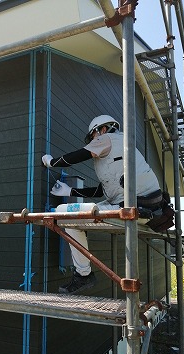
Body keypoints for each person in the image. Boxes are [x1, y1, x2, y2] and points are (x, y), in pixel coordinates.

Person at [42, 115, 162, 294]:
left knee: (64, 214)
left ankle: (83, 275)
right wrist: (70, 191)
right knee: (85, 210)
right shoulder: (122, 149)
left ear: (102, 130)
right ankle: (83, 274)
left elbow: (79, 155)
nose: (92, 142)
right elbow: (103, 190)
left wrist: (52, 163)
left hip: (133, 208)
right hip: (144, 208)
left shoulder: (109, 138)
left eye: (92, 137)